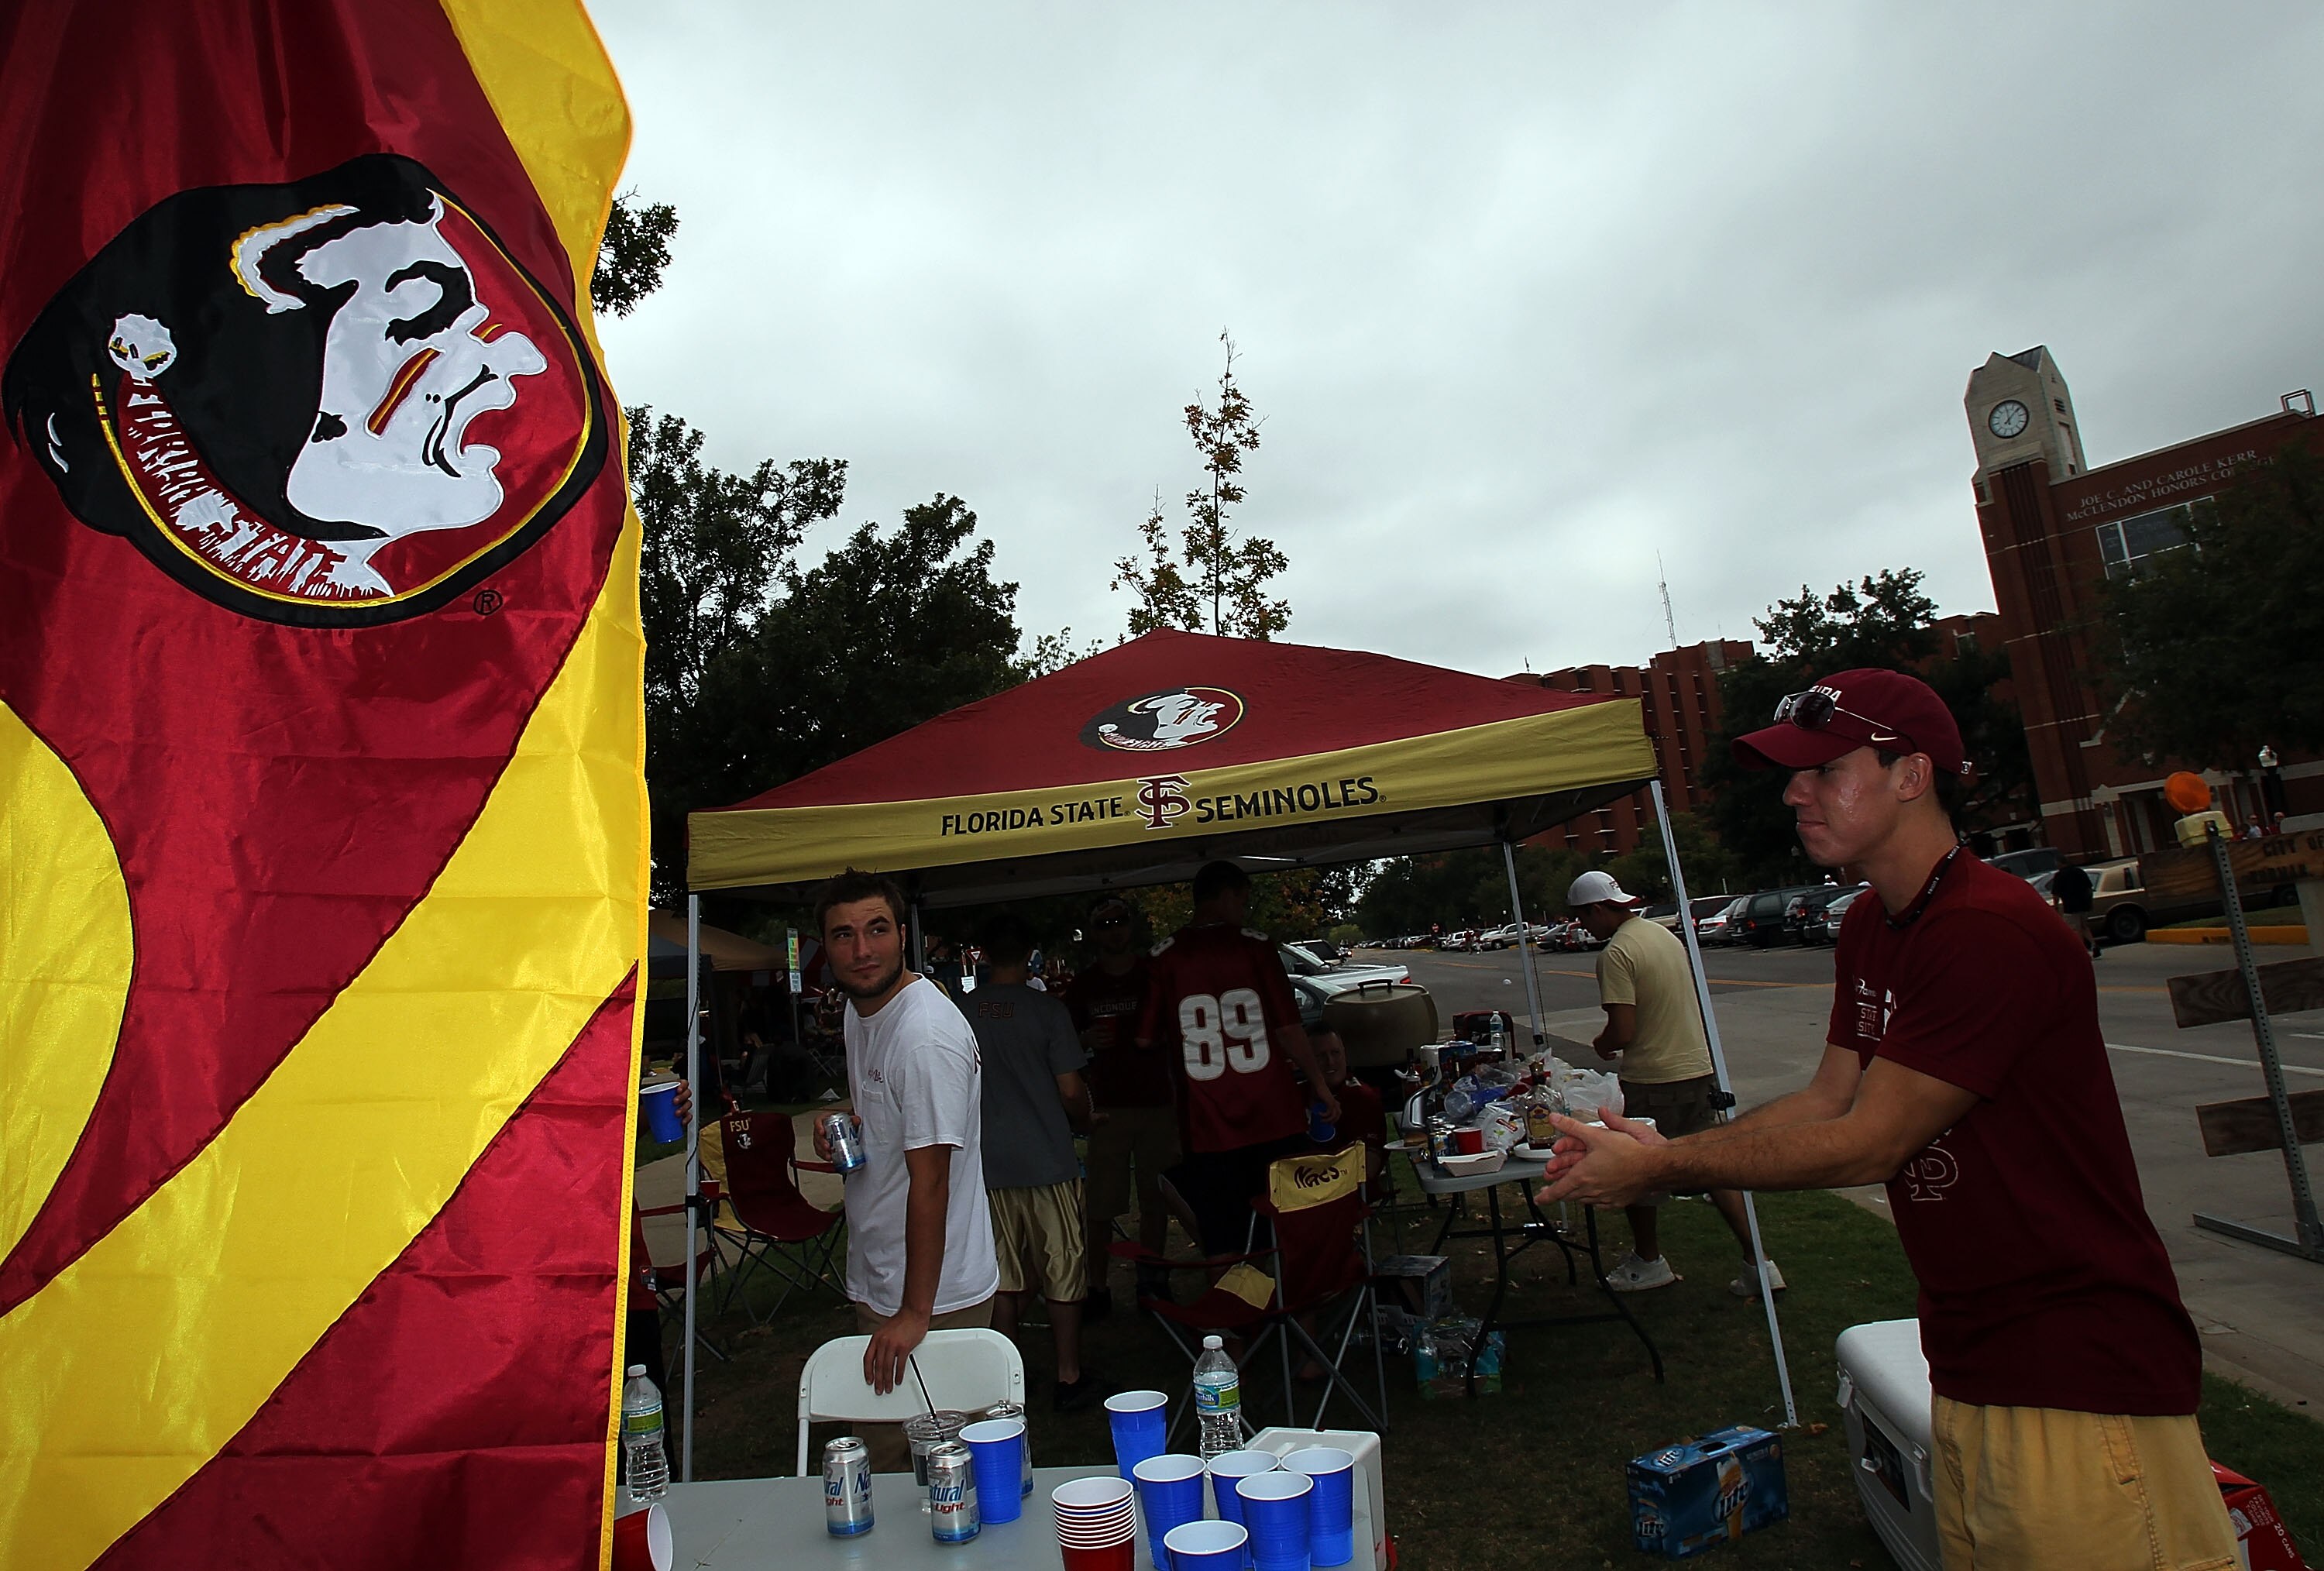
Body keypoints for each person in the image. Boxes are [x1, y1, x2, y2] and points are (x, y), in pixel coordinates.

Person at [1539, 669, 2234, 1571]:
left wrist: (1658, 1172)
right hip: (1973, 1357)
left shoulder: (1989, 930)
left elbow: (1874, 1140)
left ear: (1912, 776)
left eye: (1825, 769)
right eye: (1795, 774)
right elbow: (1832, 1098)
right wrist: (1673, 1147)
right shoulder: (1877, 923)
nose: (1795, 791)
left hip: (2079, 1371)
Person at [810, 868, 999, 1396]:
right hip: (880, 1275)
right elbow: (883, 1109)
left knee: (920, 1465)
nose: (862, 950)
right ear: (825, 947)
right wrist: (837, 1125)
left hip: (933, 1300)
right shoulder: (860, 1009)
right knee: (895, 1460)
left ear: (902, 935)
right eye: (844, 935)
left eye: (877, 929)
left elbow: (932, 1180)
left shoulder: (925, 1038)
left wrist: (914, 1313)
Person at [1565, 868, 1779, 1298]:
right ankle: (1760, 1262)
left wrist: (1602, 1044)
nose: (1583, 927)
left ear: (1597, 909)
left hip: (1654, 1075)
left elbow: (1622, 1030)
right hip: (1695, 1066)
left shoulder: (1616, 954)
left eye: (1583, 917)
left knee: (1639, 1168)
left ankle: (1648, 1261)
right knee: (1712, 1165)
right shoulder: (1662, 935)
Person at [1139, 861, 1338, 1260]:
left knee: (1221, 1235)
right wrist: (1319, 1083)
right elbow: (1287, 1029)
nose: (1243, 911)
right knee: (1289, 1221)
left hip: (1208, 1120)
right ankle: (1291, 1310)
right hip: (1272, 1112)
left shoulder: (1164, 956)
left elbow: (1145, 1038)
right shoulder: (1257, 946)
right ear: (1226, 895)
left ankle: (1235, 1315)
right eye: (1242, 902)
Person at [965, 914, 1108, 1411]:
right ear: (1030, 956)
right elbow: (1072, 1090)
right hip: (1047, 1158)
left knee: (1003, 1272)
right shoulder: (1049, 1012)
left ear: (981, 954)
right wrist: (1087, 1122)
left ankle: (1006, 1377)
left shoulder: (961, 1013)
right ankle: (1068, 1375)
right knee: (1063, 1264)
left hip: (987, 1163)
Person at [1066, 896, 1177, 1316]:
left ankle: (1151, 1282)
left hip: (1156, 1102)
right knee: (1102, 1203)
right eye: (1104, 923)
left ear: (1131, 927)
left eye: (1120, 921)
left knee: (1156, 1198)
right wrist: (1086, 1041)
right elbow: (1063, 1046)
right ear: (1094, 932)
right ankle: (1098, 1287)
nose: (1114, 929)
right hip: (1108, 1107)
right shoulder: (1086, 984)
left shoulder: (1153, 974)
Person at [1305, 1027, 1386, 1191]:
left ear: (1344, 1053)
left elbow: (1371, 1160)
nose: (1330, 1062)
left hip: (1346, 1192)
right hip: (1297, 1190)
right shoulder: (1294, 1096)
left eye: (1335, 1053)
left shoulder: (1362, 1097)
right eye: (1321, 1056)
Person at [2051, 859, 2099, 959]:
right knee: (2084, 926)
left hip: (2070, 906)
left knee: (2075, 929)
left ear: (2060, 864)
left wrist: (2056, 906)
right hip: (2084, 904)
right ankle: (2094, 945)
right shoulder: (2079, 871)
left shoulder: (2060, 876)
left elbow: (2056, 894)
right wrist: (2090, 903)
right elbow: (2089, 889)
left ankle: (2084, 952)